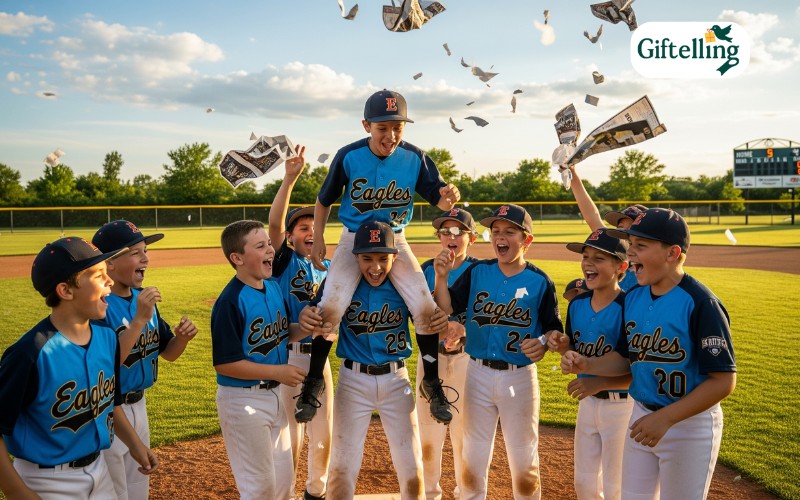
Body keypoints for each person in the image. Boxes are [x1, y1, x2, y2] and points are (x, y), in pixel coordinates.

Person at [300, 89, 460, 425]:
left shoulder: (416, 157)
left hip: (394, 241)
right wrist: (318, 240)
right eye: (383, 128)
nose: (391, 135)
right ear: (366, 125)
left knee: (425, 308)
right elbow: (323, 200)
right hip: (352, 240)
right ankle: (313, 382)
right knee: (331, 305)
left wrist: (448, 197)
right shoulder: (348, 156)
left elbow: (441, 200)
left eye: (397, 127)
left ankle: (431, 381)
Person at [561, 209, 737, 499]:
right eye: (631, 244)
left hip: (688, 425)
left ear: (672, 253)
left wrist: (666, 418)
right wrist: (587, 362)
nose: (631, 252)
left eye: (640, 246)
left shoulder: (701, 302)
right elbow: (624, 357)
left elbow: (723, 381)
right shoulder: (633, 298)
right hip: (641, 416)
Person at [299, 221, 449, 499]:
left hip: (396, 381)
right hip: (353, 381)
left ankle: (432, 384)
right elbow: (319, 315)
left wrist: (441, 317)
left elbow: (431, 317)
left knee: (412, 470)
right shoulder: (343, 286)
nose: (375, 267)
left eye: (383, 258)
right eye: (367, 258)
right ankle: (313, 382)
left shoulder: (404, 287)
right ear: (355, 257)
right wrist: (306, 315)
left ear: (395, 257)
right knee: (342, 469)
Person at [0, 237, 159, 499]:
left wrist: (135, 444)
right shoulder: (30, 353)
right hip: (47, 480)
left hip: (99, 469)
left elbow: (110, 402)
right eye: (98, 275)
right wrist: (16, 490)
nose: (109, 280)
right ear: (66, 291)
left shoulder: (107, 338)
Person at [433, 204, 564, 500]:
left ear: (526, 240)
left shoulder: (540, 281)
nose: (500, 237)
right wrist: (441, 278)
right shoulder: (478, 271)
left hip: (518, 378)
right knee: (474, 452)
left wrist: (543, 343)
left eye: (509, 232)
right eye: (496, 232)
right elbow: (447, 308)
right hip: (477, 373)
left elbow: (554, 329)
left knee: (523, 453)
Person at [91, 220, 198, 500]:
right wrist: (139, 319)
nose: (145, 258)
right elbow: (106, 365)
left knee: (139, 489)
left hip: (140, 406)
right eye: (135, 252)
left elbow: (168, 353)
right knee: (114, 492)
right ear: (109, 264)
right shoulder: (98, 307)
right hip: (108, 411)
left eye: (145, 250)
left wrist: (182, 339)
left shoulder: (142, 299)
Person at [211, 220, 309, 499]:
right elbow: (225, 363)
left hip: (273, 396)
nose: (270, 250)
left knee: (283, 483)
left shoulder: (272, 287)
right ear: (237, 258)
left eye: (269, 243)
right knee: (260, 488)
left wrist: (306, 329)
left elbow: (280, 334)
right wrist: (279, 372)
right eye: (260, 246)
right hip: (242, 401)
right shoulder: (230, 302)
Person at [268, 146, 333, 500]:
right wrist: (290, 178)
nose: (310, 231)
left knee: (324, 432)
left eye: (315, 226)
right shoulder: (284, 262)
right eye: (303, 227)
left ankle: (315, 492)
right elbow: (275, 225)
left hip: (320, 361)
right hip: (288, 356)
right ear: (292, 237)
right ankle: (286, 494)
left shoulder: (331, 267)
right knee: (289, 435)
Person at [549, 229, 633, 500]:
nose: (588, 263)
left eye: (599, 258)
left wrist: (584, 365)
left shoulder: (629, 306)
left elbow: (628, 363)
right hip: (588, 402)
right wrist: (567, 351)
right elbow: (574, 347)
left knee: (615, 485)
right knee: (584, 484)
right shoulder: (578, 304)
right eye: (586, 257)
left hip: (622, 405)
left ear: (621, 267)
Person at [418, 208, 478, 500]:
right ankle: (430, 493)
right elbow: (416, 314)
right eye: (445, 231)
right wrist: (442, 329)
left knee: (464, 431)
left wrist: (461, 330)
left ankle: (466, 492)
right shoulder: (425, 269)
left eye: (458, 232)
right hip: (431, 359)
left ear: (472, 239)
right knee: (428, 431)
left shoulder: (481, 271)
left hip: (468, 359)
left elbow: (485, 318)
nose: (451, 237)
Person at [567, 165, 647, 291]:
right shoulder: (615, 253)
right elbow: (592, 216)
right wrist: (572, 172)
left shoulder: (652, 272)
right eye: (620, 227)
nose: (623, 232)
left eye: (630, 228)